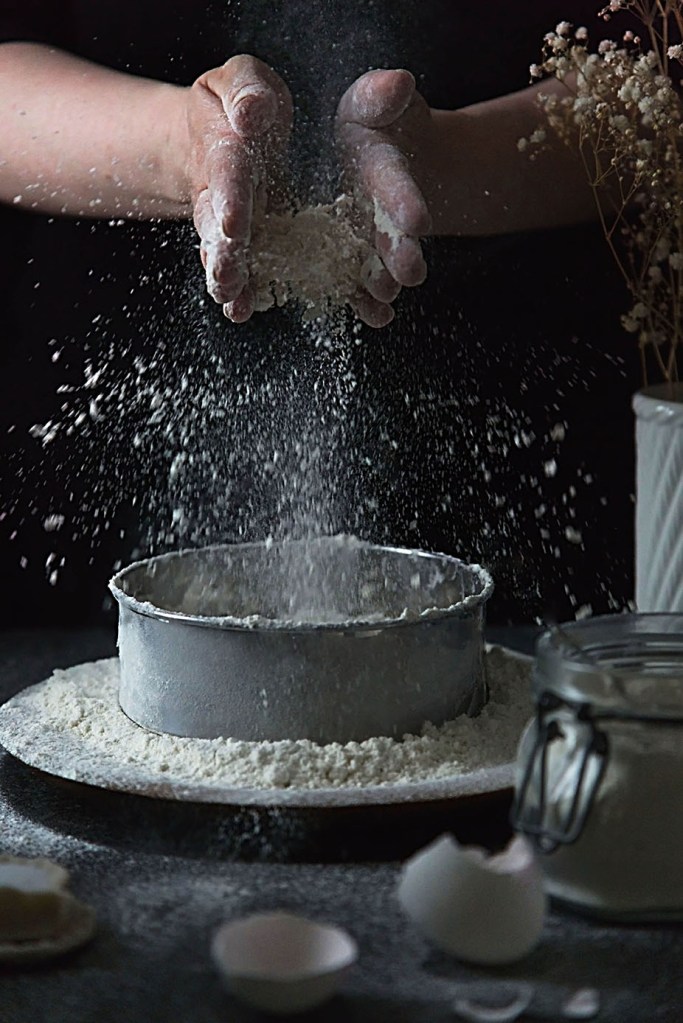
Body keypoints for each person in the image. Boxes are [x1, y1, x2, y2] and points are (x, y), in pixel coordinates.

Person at [0, 1, 636, 625]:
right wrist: (182, 148)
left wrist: (451, 161)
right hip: (107, 428)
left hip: (527, 440)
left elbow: (655, 76)